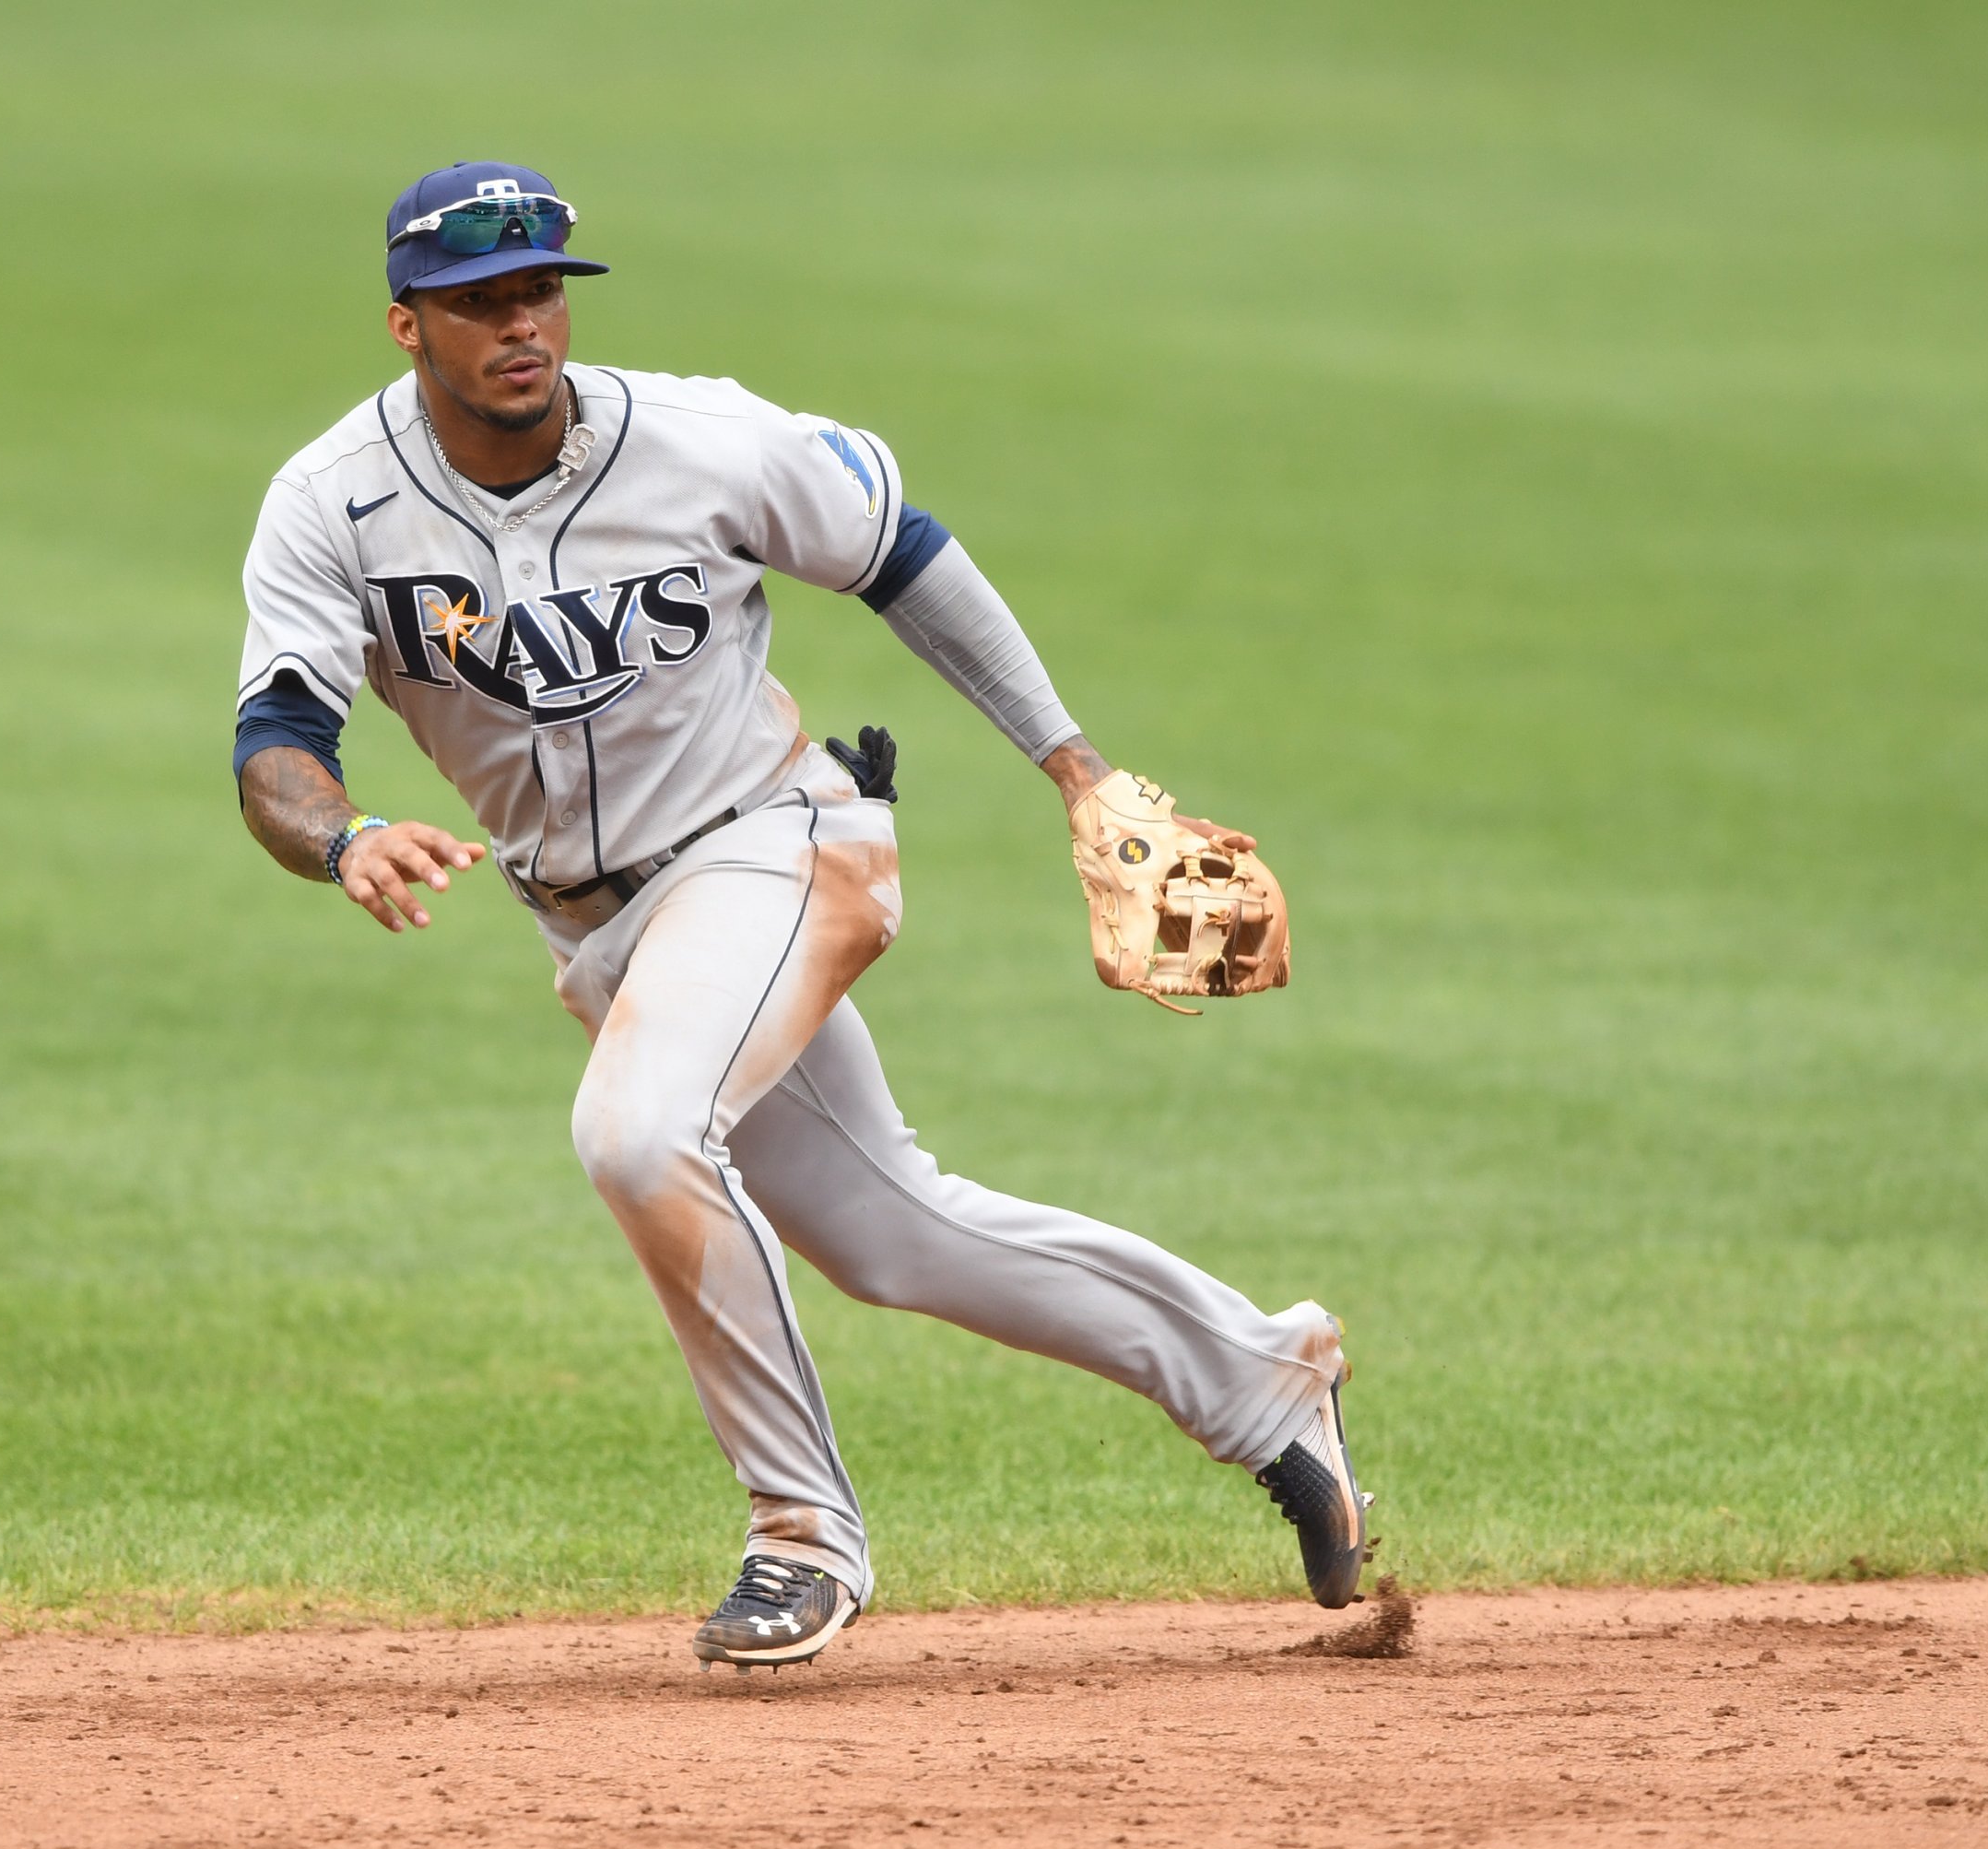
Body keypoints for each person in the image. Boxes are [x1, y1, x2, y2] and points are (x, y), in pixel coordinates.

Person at [230, 160, 1370, 1669]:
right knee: (892, 1232)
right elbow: (274, 747)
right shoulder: (334, 504)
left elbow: (909, 556)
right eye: (480, 302)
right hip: (593, 923)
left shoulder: (703, 439)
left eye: (542, 290)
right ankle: (1261, 1374)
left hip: (777, 845)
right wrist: (346, 836)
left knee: (638, 1135)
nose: (523, 324)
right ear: (406, 325)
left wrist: (1078, 771)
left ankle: (802, 1537)